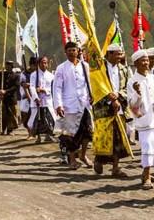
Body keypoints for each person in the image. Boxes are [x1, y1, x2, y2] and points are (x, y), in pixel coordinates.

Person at [128, 50, 154, 190]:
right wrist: (138, 94)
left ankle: (148, 172)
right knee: (147, 147)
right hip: (144, 120)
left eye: (147, 60)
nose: (147, 63)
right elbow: (132, 105)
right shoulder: (132, 81)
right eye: (143, 60)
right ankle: (146, 175)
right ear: (135, 64)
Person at [92, 43, 132, 177]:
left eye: (121, 54)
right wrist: (109, 98)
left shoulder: (124, 69)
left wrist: (119, 95)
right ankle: (99, 159)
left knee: (119, 138)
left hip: (120, 108)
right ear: (109, 54)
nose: (120, 56)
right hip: (103, 109)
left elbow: (128, 88)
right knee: (103, 137)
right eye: (117, 54)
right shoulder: (99, 69)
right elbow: (96, 88)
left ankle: (115, 167)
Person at [53, 41, 93, 170]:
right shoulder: (61, 68)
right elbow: (57, 87)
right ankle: (71, 159)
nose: (72, 52)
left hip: (85, 103)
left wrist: (92, 96)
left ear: (78, 51)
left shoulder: (85, 66)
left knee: (87, 132)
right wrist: (58, 105)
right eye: (69, 50)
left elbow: (89, 84)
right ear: (65, 52)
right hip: (69, 105)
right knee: (70, 134)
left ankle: (83, 155)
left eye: (74, 50)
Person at [29, 56, 56, 143]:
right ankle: (38, 137)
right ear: (39, 63)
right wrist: (36, 97)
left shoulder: (51, 76)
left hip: (48, 100)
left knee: (50, 118)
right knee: (38, 119)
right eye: (42, 62)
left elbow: (53, 88)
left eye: (45, 63)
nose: (44, 64)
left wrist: (44, 90)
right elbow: (32, 87)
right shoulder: (34, 75)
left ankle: (49, 135)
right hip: (38, 101)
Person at [0, 61, 20, 135]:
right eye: (6, 66)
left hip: (11, 98)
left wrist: (5, 91)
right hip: (3, 98)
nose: (7, 67)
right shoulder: (2, 75)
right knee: (3, 114)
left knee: (11, 114)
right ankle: (3, 129)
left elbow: (15, 86)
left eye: (9, 66)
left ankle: (10, 130)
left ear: (12, 66)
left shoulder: (16, 76)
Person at [19, 57, 37, 140]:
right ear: (31, 65)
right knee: (25, 117)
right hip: (26, 98)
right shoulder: (24, 74)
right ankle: (29, 133)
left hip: (36, 98)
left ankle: (33, 133)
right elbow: (23, 85)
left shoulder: (38, 73)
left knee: (35, 116)